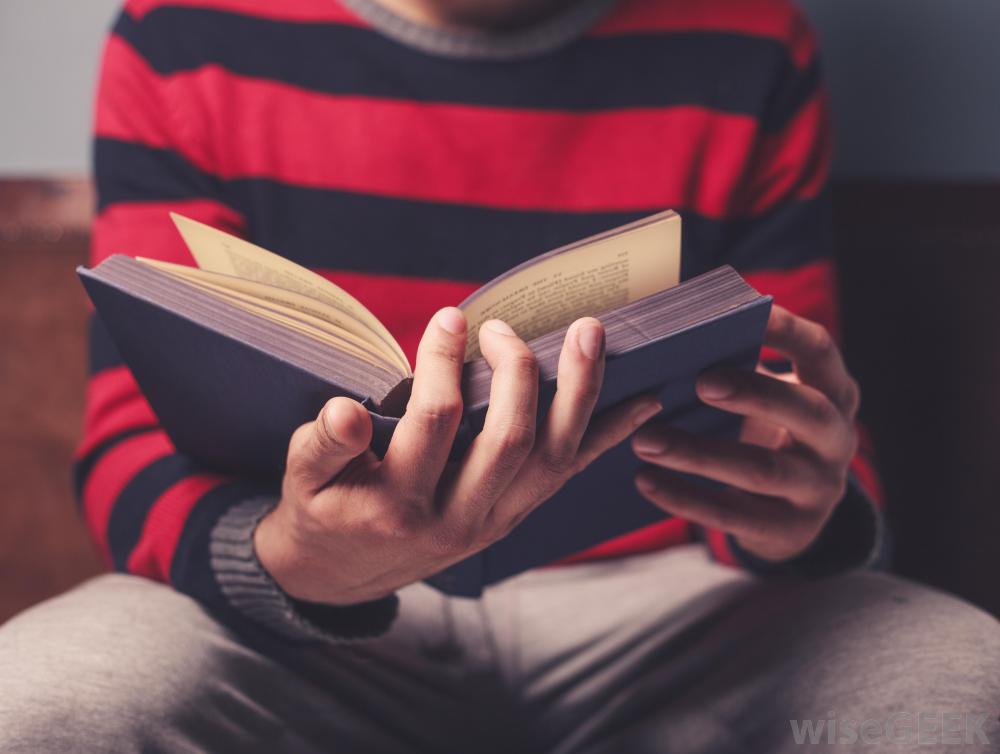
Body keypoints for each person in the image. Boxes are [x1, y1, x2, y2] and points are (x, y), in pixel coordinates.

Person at [1, 0, 998, 751]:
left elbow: (792, 400)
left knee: (957, 687)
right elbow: (131, 440)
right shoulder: (180, 34)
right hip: (302, 606)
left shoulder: (751, 42)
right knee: (38, 701)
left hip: (667, 603)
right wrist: (298, 559)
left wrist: (810, 513)